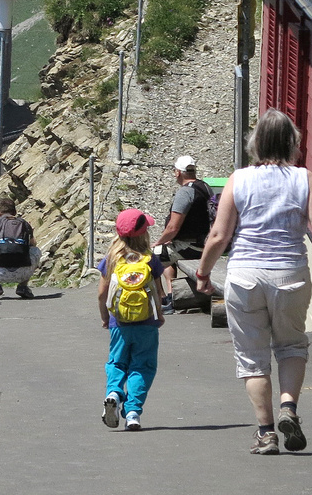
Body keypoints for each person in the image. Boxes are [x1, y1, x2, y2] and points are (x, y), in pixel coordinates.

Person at [196, 109, 312, 455]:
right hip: (290, 273)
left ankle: (266, 433)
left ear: (256, 143)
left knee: (252, 357)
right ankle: (289, 408)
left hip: (245, 275)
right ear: (293, 142)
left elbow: (219, 234)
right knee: (291, 346)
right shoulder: (304, 179)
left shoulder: (239, 179)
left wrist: (203, 272)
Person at [98, 208, 165, 431]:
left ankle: (114, 394)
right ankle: (133, 412)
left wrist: (105, 318)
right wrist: (160, 316)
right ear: (144, 233)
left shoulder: (112, 260)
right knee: (142, 366)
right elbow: (158, 292)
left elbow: (101, 293)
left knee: (117, 362)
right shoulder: (150, 260)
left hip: (120, 323)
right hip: (147, 323)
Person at [154, 154, 213, 313]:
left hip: (190, 246)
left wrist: (158, 242)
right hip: (206, 243)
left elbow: (173, 228)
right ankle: (173, 295)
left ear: (178, 172)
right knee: (167, 252)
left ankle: (162, 301)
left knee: (150, 259)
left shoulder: (185, 192)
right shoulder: (205, 187)